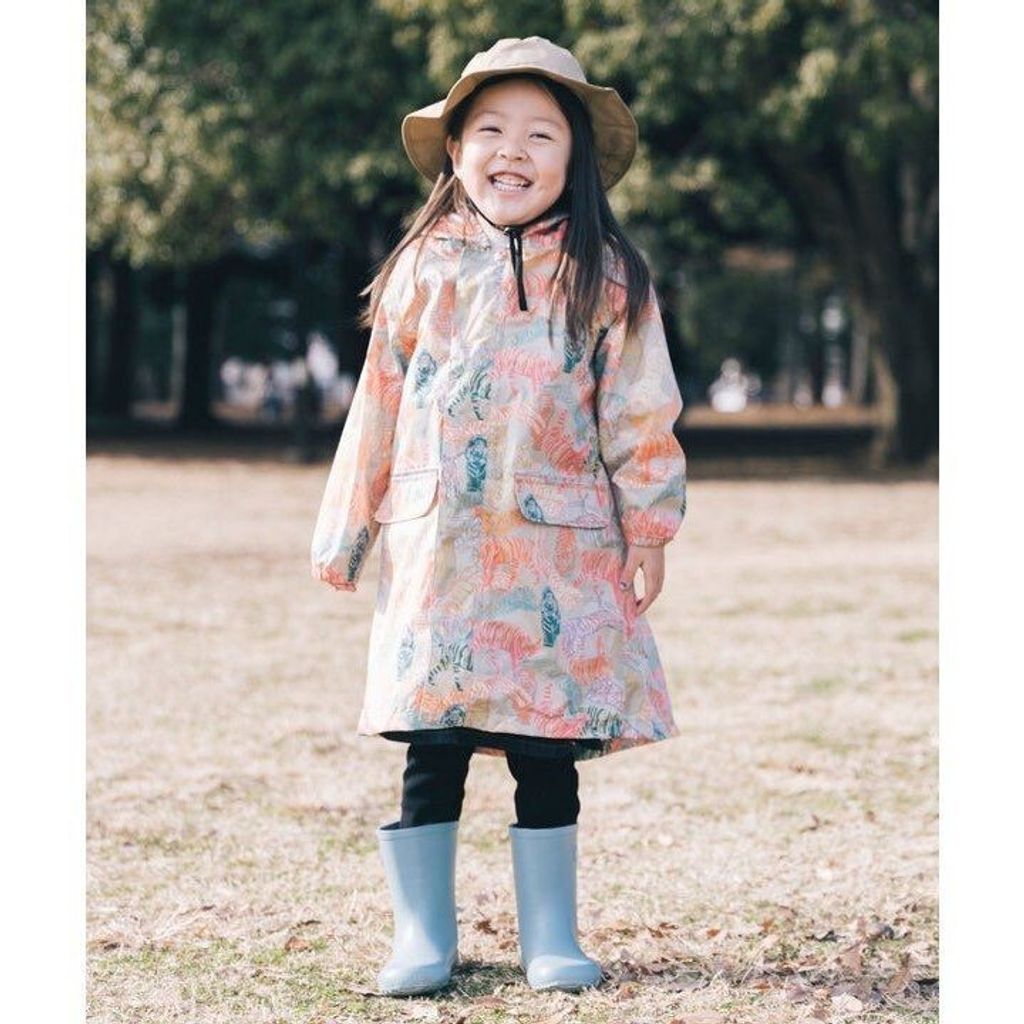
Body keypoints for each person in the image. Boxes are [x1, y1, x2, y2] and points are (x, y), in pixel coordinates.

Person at [310, 36, 688, 997]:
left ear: (575, 159)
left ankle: (550, 937)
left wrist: (649, 527)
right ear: (455, 149)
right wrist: (346, 529)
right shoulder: (421, 268)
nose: (511, 150)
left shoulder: (608, 277)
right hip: (437, 549)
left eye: (539, 134)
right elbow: (378, 403)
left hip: (557, 551)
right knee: (430, 745)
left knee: (545, 747)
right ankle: (421, 936)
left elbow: (639, 410)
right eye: (489, 130)